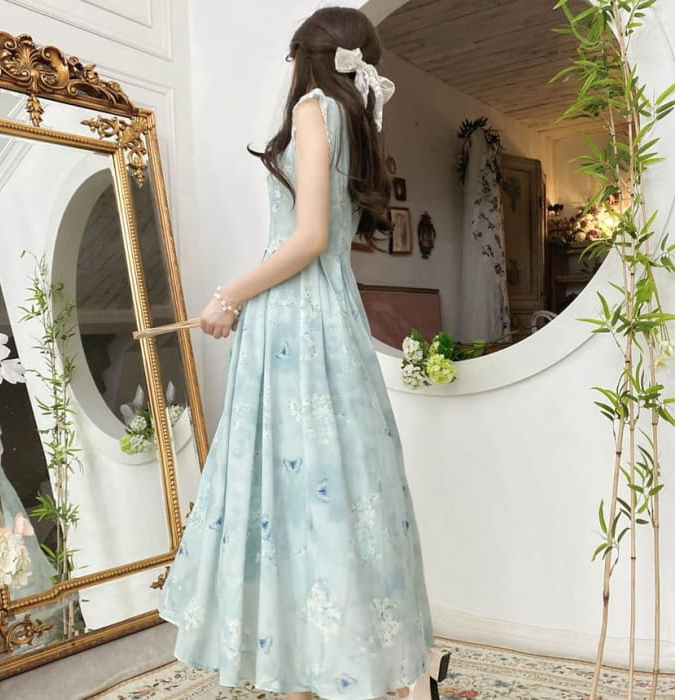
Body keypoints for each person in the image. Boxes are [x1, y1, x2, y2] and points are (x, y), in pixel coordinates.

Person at [159, 7, 448, 700]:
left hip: (297, 323)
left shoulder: (316, 110)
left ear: (305, 55)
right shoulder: (354, 118)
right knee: (335, 487)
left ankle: (306, 671)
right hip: (328, 313)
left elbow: (309, 235)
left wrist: (228, 295)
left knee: (295, 490)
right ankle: (331, 667)